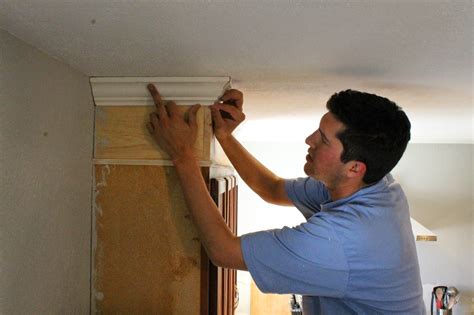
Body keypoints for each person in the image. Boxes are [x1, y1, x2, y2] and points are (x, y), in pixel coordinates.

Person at [146, 84, 424, 314]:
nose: (309, 139)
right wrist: (225, 136)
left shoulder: (341, 240)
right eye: (318, 130)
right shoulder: (375, 185)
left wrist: (182, 154)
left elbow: (223, 251)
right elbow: (272, 188)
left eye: (323, 140)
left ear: (354, 167)